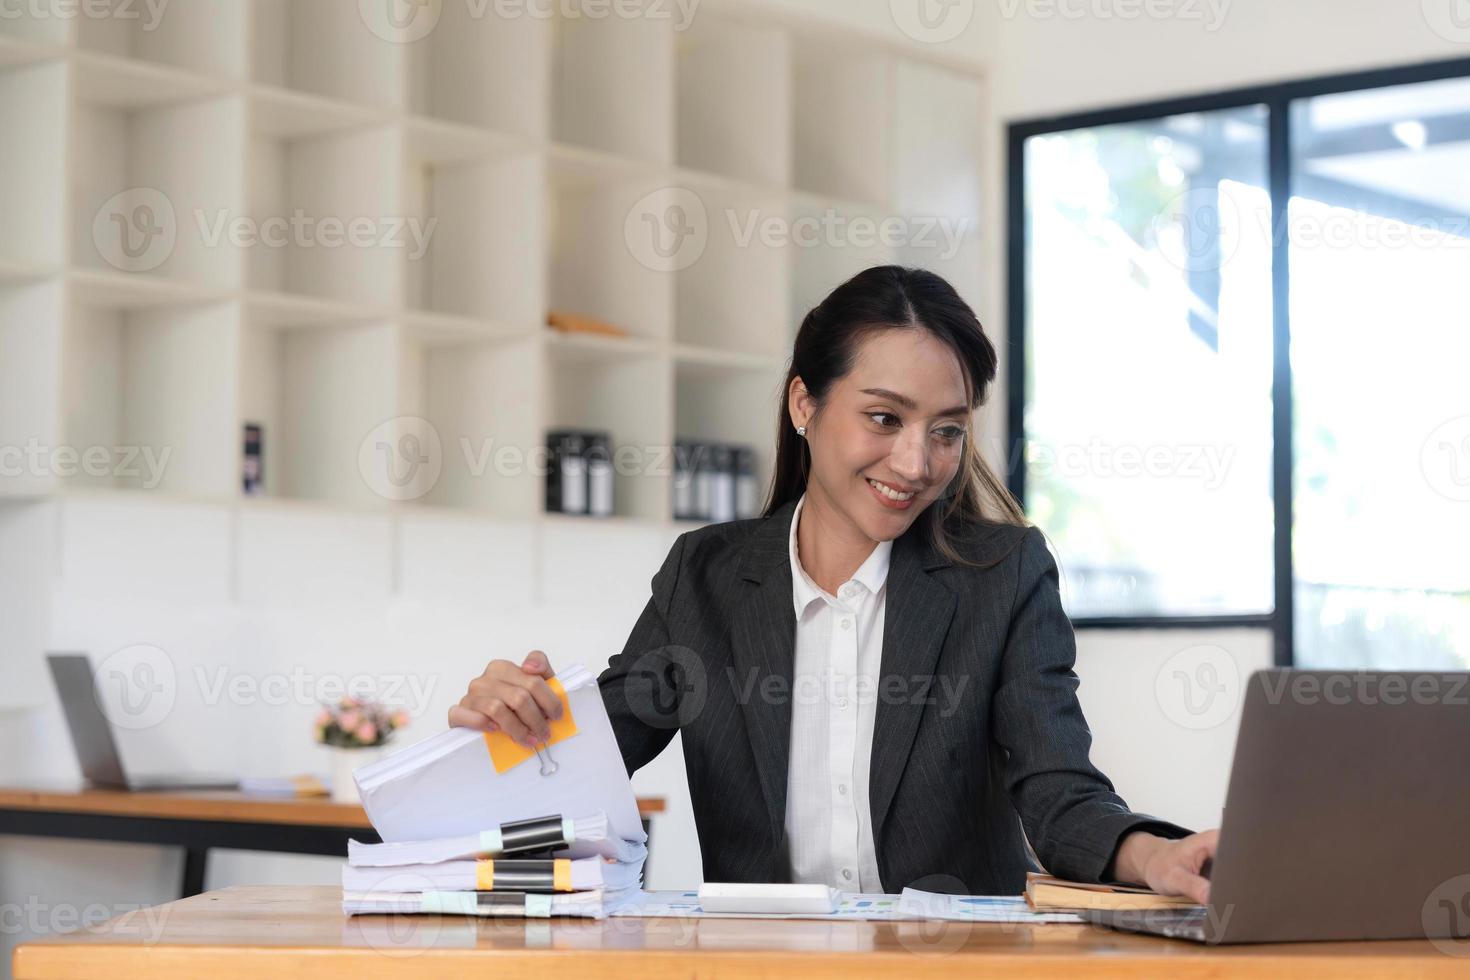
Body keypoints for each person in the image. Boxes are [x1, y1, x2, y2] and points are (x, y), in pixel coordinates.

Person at [451, 265, 1218, 900]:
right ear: (803, 405)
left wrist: (1151, 856)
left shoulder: (1002, 576)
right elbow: (597, 750)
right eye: (885, 419)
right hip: (771, 968)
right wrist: (513, 722)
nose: (918, 464)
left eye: (946, 430)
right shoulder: (706, 577)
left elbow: (1059, 791)